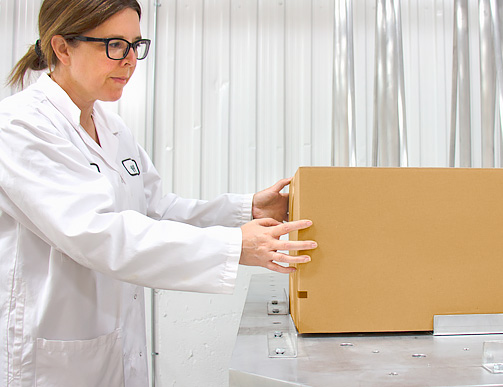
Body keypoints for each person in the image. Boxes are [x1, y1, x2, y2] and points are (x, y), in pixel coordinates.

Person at [0, 0, 316, 386]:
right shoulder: (19, 127)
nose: (130, 60)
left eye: (136, 45)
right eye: (114, 45)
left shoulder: (111, 127)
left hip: (115, 346)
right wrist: (234, 246)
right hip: (53, 360)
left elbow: (156, 211)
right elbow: (95, 234)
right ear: (62, 48)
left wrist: (247, 210)